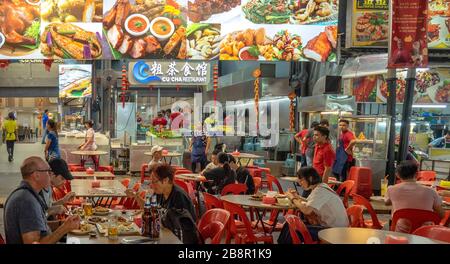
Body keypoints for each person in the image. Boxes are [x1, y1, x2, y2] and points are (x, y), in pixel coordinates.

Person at [3, 156, 80, 244]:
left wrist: (62, 223)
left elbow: (39, 227)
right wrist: (64, 228)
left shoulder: (29, 194)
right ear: (36, 175)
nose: (50, 174)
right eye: (48, 171)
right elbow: (35, 242)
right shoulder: (26, 201)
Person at [281, 167, 349, 243]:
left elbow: (307, 210)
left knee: (293, 230)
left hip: (334, 232)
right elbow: (309, 202)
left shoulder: (320, 191)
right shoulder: (320, 187)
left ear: (310, 178)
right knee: (289, 226)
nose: (300, 183)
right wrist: (297, 197)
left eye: (301, 180)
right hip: (334, 229)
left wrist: (293, 198)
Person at [385, 160, 444, 233]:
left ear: (397, 175)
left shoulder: (391, 189)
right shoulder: (431, 191)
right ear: (417, 174)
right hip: (425, 233)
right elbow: (441, 214)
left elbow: (386, 203)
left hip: (401, 233)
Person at [125, 164, 196, 221]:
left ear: (165, 180)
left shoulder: (179, 196)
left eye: (154, 181)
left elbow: (180, 225)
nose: (151, 185)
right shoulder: (159, 193)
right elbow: (148, 208)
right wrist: (136, 196)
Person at [39, 158, 76, 230]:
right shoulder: (38, 191)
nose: (65, 182)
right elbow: (38, 221)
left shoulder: (49, 187)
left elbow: (48, 206)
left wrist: (63, 201)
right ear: (52, 174)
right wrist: (50, 211)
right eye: (62, 178)